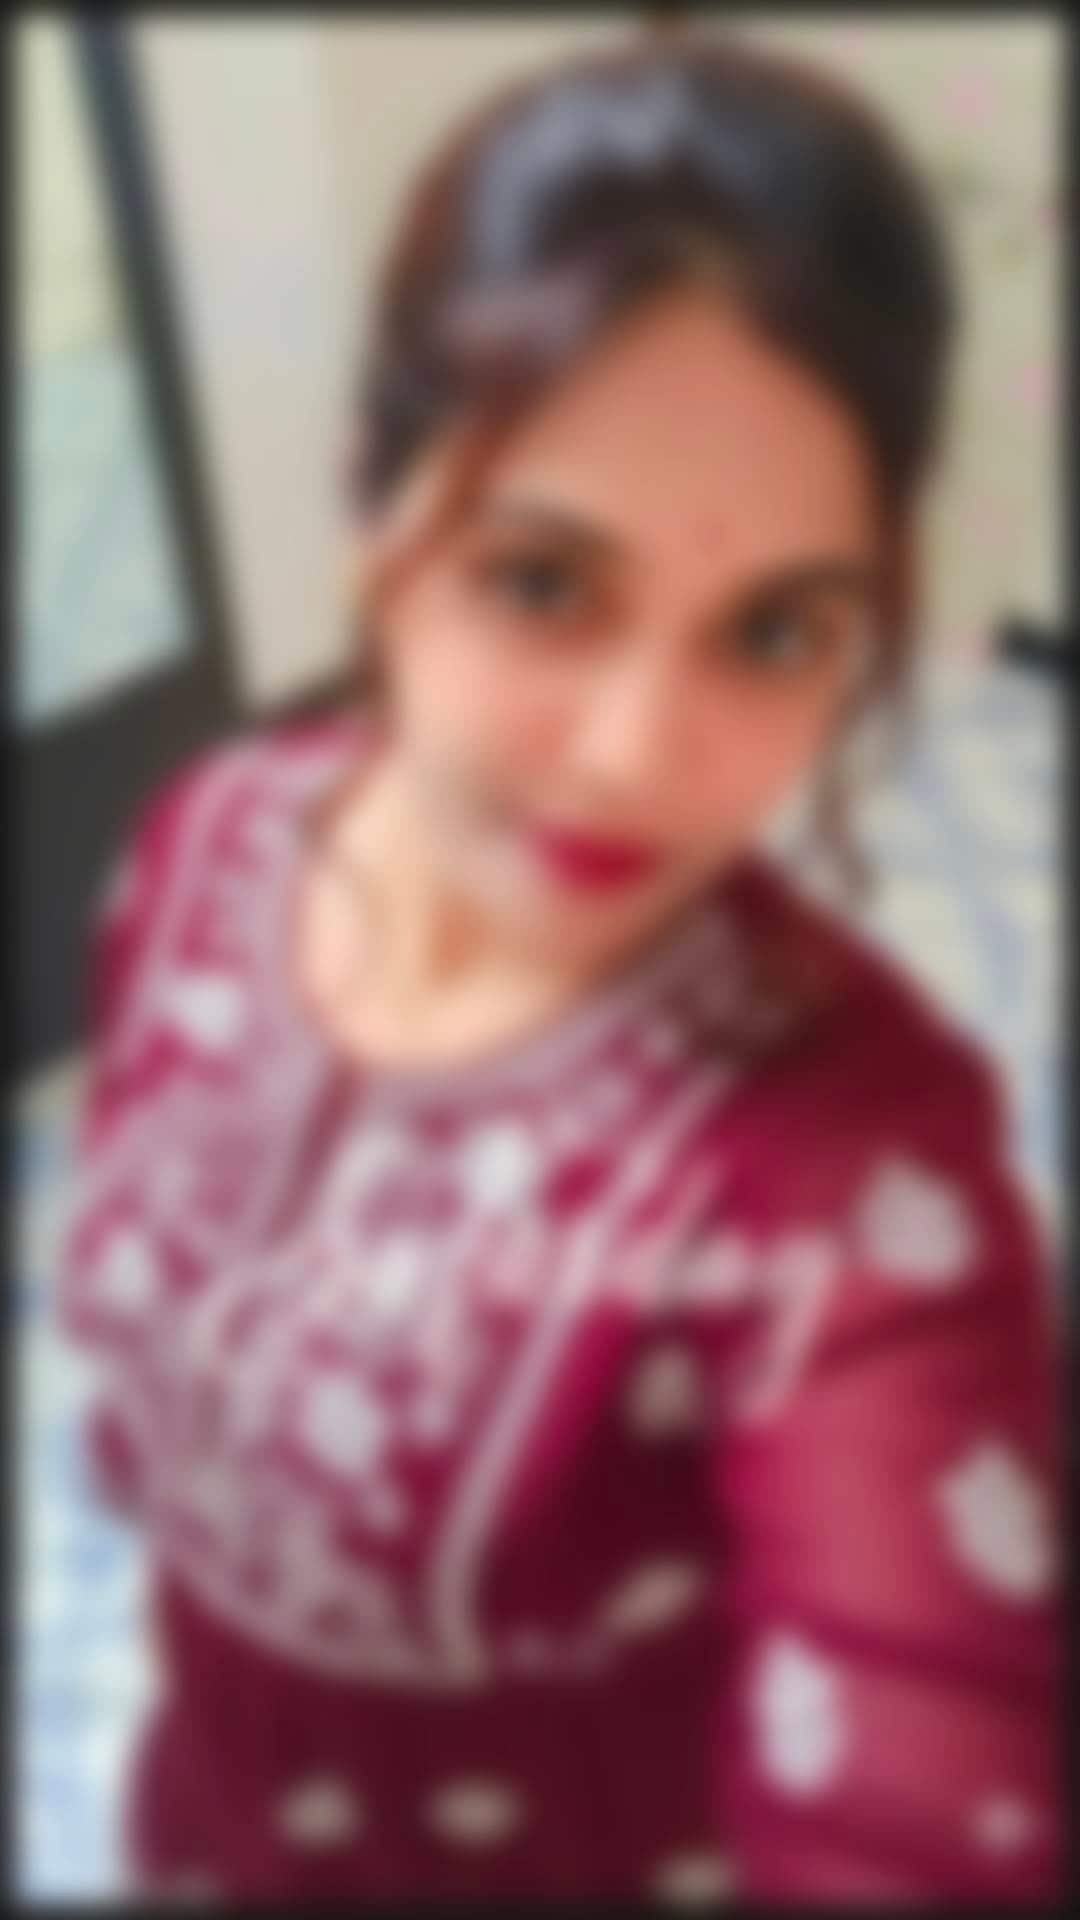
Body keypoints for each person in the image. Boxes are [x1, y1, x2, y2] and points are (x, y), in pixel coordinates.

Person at [58, 31, 1063, 1906]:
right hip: (205, 1827)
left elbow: (928, 1777)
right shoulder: (205, 850)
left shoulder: (857, 1174)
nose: (632, 755)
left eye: (774, 631)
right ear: (374, 508)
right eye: (544, 583)